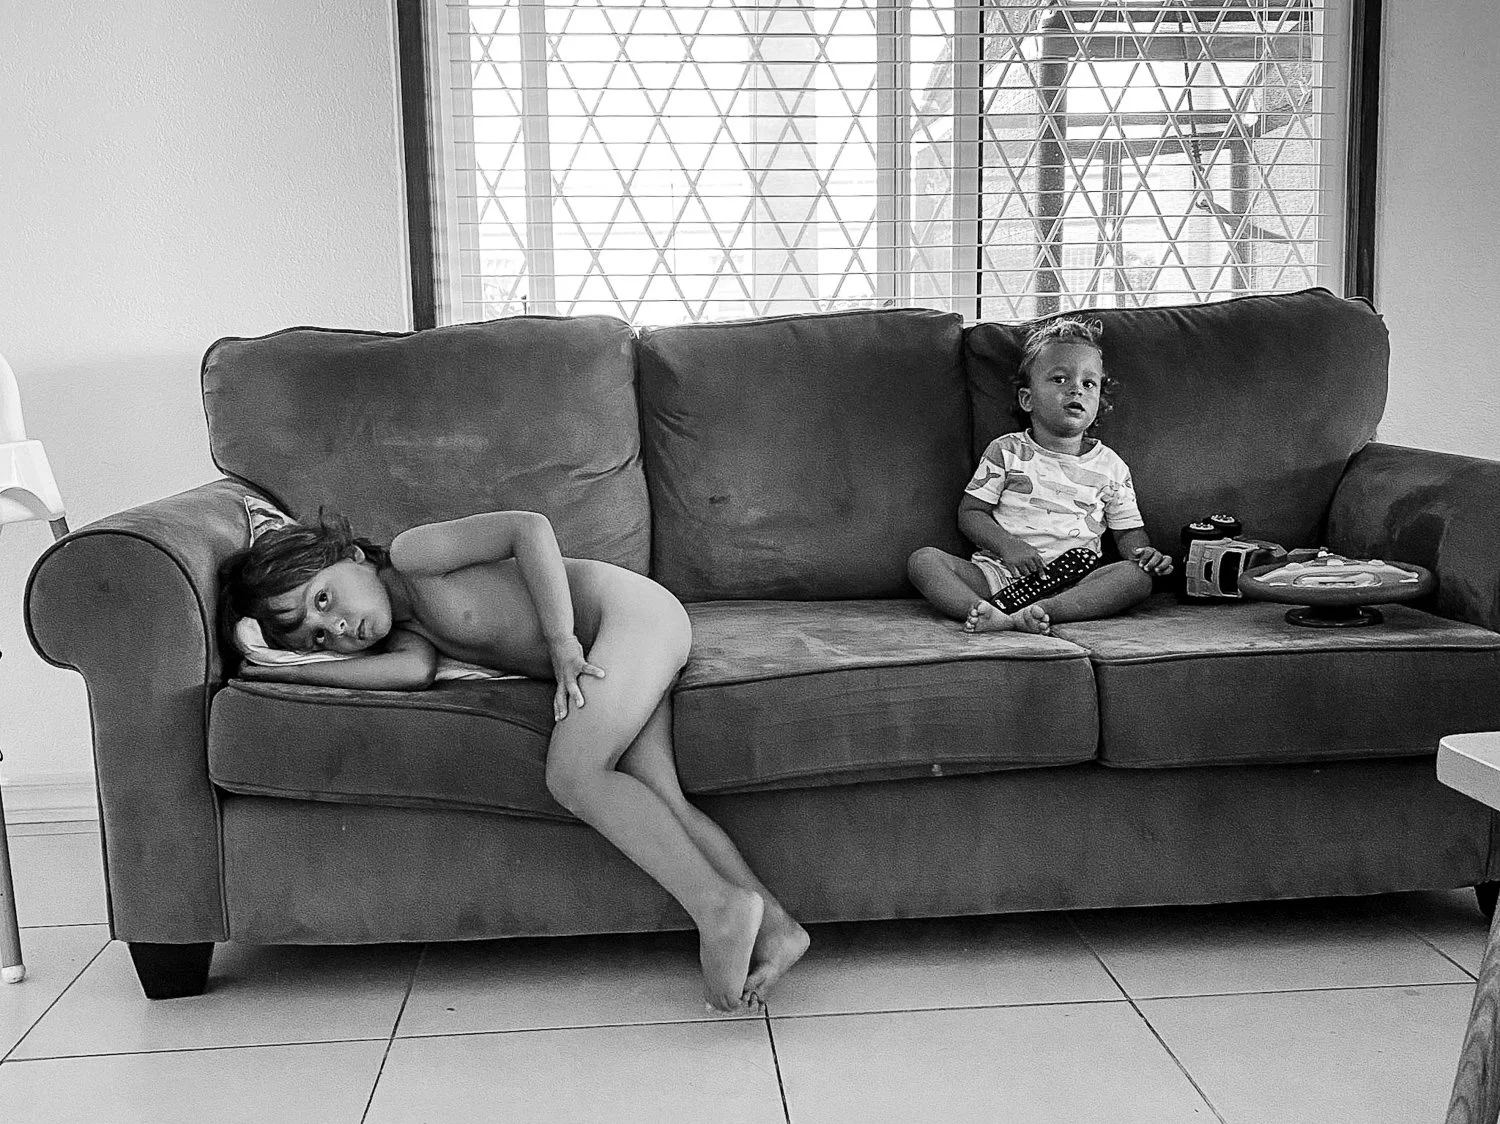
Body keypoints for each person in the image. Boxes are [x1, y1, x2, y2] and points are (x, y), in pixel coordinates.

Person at [220, 508, 809, 1012]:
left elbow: (529, 528)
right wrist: (279, 667)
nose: (340, 627)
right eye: (321, 638)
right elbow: (411, 673)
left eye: (325, 600)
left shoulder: (415, 555)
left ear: (351, 555)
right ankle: (779, 929)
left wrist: (561, 640)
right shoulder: (409, 635)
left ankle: (719, 908)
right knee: (660, 798)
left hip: (625, 618)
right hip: (620, 648)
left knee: (573, 774)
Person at [908, 317, 1173, 634]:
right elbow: (971, 513)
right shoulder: (1006, 451)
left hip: (1077, 583)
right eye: (1060, 379)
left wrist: (1143, 555)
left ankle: (1043, 612)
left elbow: (1128, 532)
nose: (1076, 387)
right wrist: (1009, 546)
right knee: (923, 561)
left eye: (1089, 384)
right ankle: (984, 612)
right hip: (1001, 574)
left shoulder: (1110, 466)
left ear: (1098, 403)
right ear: (1027, 399)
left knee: (1137, 577)